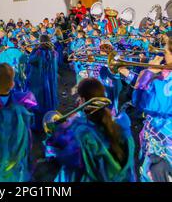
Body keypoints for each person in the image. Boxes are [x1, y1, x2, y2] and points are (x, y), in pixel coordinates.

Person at [45, 78, 136, 182]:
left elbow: (57, 155)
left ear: (82, 100)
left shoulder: (80, 132)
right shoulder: (120, 125)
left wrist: (64, 127)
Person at [119, 35, 172, 181]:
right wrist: (129, 74)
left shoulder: (167, 84)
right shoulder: (165, 79)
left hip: (162, 149)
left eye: (166, 52)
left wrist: (149, 72)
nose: (163, 55)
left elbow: (140, 100)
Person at [27, 35, 58, 130]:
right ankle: (49, 121)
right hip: (50, 80)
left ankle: (39, 126)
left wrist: (33, 50)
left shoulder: (39, 52)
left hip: (39, 81)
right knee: (48, 101)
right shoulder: (53, 52)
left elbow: (30, 60)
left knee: (38, 102)